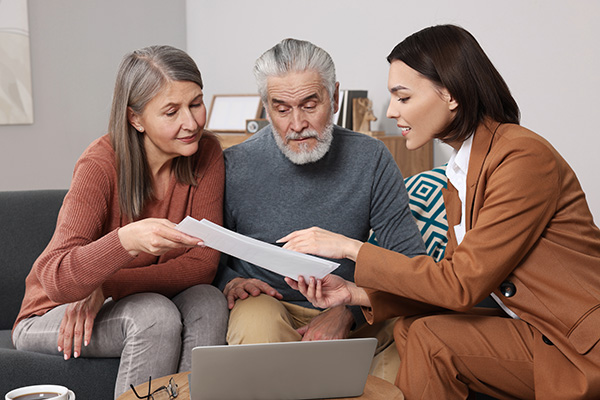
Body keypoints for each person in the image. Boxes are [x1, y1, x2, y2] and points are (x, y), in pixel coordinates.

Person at [283, 24, 600, 399]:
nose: (391, 111)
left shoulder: (521, 157)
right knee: (412, 328)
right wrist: (354, 294)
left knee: (430, 337)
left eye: (402, 97)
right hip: (535, 331)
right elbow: (449, 283)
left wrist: (351, 248)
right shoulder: (461, 174)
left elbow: (461, 284)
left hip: (576, 344)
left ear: (449, 94)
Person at [12, 45, 228, 399]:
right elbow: (56, 279)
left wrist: (107, 286)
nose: (191, 123)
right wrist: (124, 241)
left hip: (121, 296)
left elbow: (202, 265)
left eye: (196, 103)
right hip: (50, 313)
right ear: (135, 118)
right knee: (154, 316)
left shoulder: (205, 154)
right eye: (171, 111)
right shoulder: (100, 165)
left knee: (208, 301)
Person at [213, 38, 425, 376]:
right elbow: (210, 256)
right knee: (256, 323)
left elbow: (409, 260)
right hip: (271, 305)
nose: (297, 125)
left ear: (335, 96)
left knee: (410, 338)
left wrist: (349, 311)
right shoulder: (234, 164)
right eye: (281, 109)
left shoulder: (371, 158)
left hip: (354, 303)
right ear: (266, 107)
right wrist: (229, 281)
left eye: (310, 105)